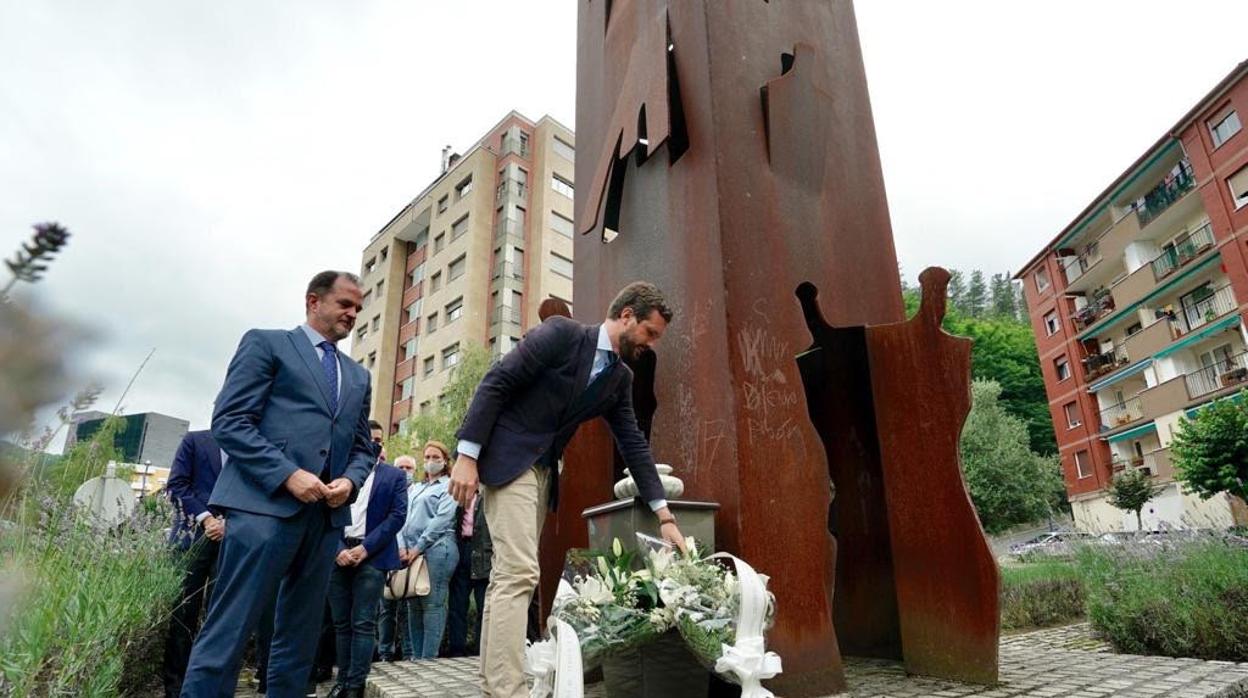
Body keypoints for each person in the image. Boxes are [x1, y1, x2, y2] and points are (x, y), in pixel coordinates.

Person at [449, 281, 687, 698]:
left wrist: (664, 515)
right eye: (650, 333)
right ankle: (510, 690)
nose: (651, 344)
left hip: (542, 474)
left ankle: (492, 685)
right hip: (508, 460)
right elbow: (497, 381)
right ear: (627, 315)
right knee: (521, 572)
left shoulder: (618, 378)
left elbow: (632, 442)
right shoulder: (562, 335)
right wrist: (467, 455)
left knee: (508, 576)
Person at [180, 270, 377, 698]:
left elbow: (364, 448)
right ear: (313, 301)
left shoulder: (358, 376)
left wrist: (351, 480)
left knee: (299, 642)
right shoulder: (267, 343)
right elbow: (230, 421)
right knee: (229, 631)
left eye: (358, 308)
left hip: (324, 521)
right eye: (345, 304)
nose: (353, 314)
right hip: (262, 511)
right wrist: (287, 474)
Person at [326, 453, 407, 698]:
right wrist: (338, 549)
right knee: (341, 623)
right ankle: (342, 680)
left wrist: (366, 547)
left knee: (363, 623)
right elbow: (322, 512)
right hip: (338, 553)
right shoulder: (335, 471)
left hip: (373, 554)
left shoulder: (394, 476)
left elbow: (397, 516)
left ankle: (355, 685)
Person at [161, 430, 225, 698]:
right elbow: (176, 485)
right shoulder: (195, 441)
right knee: (183, 614)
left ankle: (209, 686)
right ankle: (176, 687)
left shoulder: (251, 446)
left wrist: (229, 524)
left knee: (221, 616)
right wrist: (207, 519)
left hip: (233, 541)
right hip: (191, 539)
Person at [398, 441, 459, 659]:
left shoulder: (450, 485)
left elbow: (441, 520)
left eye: (435, 457)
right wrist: (402, 546)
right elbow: (401, 516)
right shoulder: (415, 487)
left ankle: (428, 660)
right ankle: (416, 658)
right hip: (410, 552)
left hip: (437, 549)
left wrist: (418, 547)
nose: (430, 462)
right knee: (413, 605)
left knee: (432, 603)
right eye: (427, 457)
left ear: (445, 461)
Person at [377, 455, 418, 662]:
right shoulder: (387, 489)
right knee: (386, 608)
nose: (404, 470)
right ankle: (385, 652)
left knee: (407, 607)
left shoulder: (419, 492)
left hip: (414, 555)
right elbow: (393, 519)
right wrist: (400, 546)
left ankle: (409, 652)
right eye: (400, 466)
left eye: (408, 467)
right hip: (389, 549)